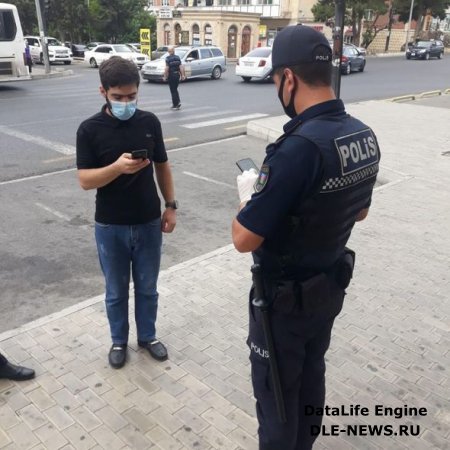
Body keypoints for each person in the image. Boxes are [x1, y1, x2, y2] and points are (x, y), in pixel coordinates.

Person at [232, 25, 380, 450]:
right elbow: (362, 210)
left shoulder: (297, 149)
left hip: (283, 304)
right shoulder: (362, 134)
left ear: (289, 79)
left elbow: (244, 239)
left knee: (278, 399)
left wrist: (249, 198)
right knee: (311, 381)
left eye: (276, 81)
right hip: (327, 289)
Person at [76, 56, 177, 369]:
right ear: (103, 92)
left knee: (148, 288)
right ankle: (118, 341)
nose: (125, 103)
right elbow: (85, 180)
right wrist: (117, 168)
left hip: (148, 221)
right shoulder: (89, 130)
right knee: (116, 292)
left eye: (131, 97)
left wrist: (170, 206)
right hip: (110, 226)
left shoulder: (149, 123)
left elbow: (162, 165)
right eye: (118, 97)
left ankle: (147, 337)